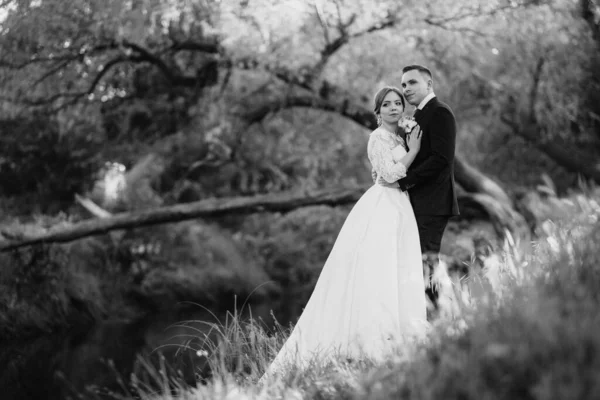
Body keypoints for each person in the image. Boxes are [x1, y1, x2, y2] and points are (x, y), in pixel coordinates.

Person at [261, 87, 428, 378]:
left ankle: (396, 340)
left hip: (401, 207)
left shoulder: (399, 136)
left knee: (397, 269)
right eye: (386, 105)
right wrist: (412, 151)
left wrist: (410, 146)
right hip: (383, 207)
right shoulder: (376, 138)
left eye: (397, 103)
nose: (392, 108)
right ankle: (369, 344)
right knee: (378, 270)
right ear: (377, 113)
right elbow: (388, 175)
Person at [397, 65, 460, 312]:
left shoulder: (440, 112)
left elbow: (442, 159)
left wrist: (405, 181)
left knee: (426, 264)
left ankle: (435, 318)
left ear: (429, 84)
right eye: (403, 85)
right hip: (417, 203)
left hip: (432, 203)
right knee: (417, 264)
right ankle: (425, 317)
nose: (406, 89)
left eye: (412, 83)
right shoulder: (417, 116)